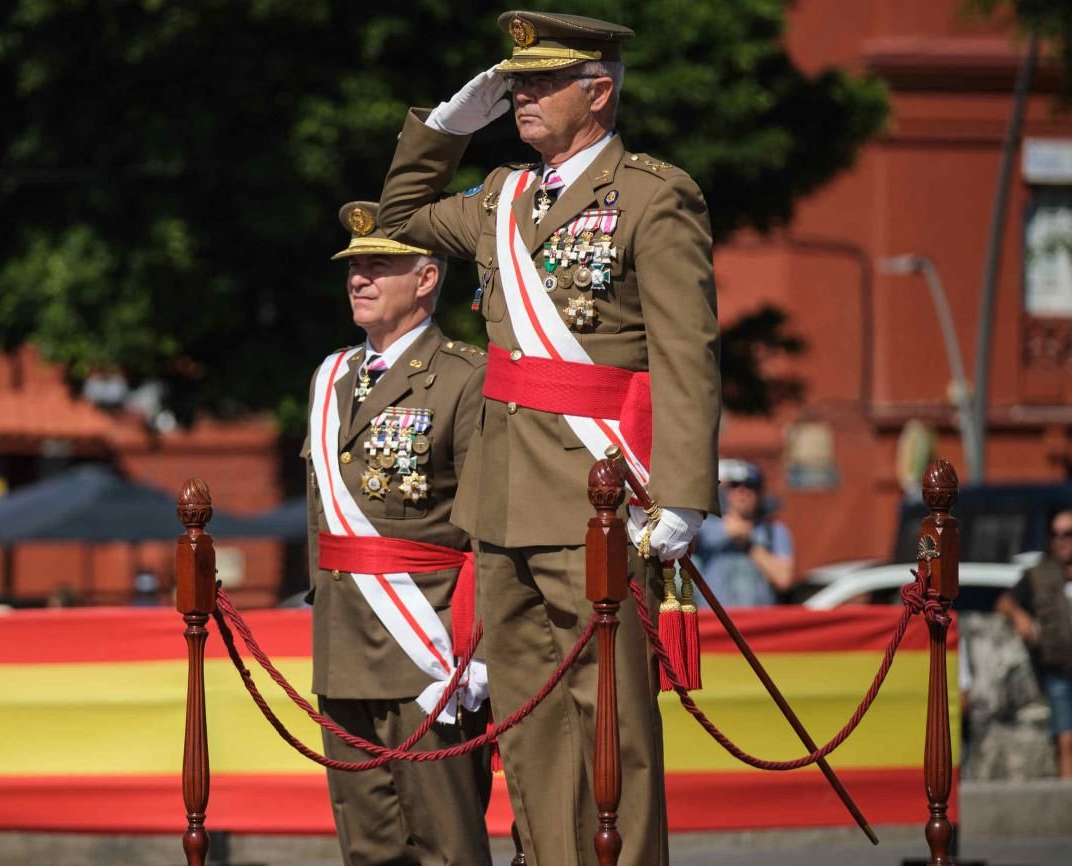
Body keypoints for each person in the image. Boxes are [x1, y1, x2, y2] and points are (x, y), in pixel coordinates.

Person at [376, 11, 720, 866]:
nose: (518, 96)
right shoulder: (500, 197)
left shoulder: (652, 193)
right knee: (527, 721)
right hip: (502, 500)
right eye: (514, 82)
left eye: (539, 82)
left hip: (600, 493)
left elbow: (687, 353)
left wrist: (681, 492)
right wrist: (446, 126)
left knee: (613, 718)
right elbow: (401, 215)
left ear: (597, 92)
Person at [303, 201, 492, 866]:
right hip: (345, 640)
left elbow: (485, 533)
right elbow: (319, 519)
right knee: (370, 847)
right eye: (354, 267)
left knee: (446, 843)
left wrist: (478, 652)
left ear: (426, 279)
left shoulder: (466, 378)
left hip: (429, 647)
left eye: (379, 265)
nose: (359, 279)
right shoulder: (331, 379)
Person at [995, 507, 1072, 779]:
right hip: (1058, 671)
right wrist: (1019, 615)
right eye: (1056, 534)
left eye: (1068, 533)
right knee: (1066, 740)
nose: (1062, 540)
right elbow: (1004, 602)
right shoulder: (1040, 574)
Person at [694, 459, 795, 607]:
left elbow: (784, 580)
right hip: (713, 623)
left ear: (759, 493)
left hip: (758, 624)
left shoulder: (774, 531)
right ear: (726, 491)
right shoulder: (704, 527)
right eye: (735, 485)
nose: (742, 491)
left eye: (750, 486)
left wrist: (750, 546)